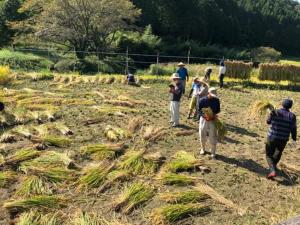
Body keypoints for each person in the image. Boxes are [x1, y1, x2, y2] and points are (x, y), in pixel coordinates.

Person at [265, 99, 297, 179]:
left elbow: (268, 122)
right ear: (290, 106)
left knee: (269, 155)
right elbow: (293, 128)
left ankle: (272, 170)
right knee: (278, 152)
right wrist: (294, 137)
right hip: (283, 139)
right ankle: (273, 167)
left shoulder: (275, 112)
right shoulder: (292, 116)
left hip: (272, 137)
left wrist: (270, 114)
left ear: (282, 104)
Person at [198, 87, 221, 159]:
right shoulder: (202, 100)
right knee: (202, 133)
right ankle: (203, 149)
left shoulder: (216, 100)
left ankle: (213, 152)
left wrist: (213, 115)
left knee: (213, 135)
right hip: (203, 119)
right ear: (208, 93)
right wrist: (205, 116)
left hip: (213, 119)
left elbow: (218, 110)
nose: (213, 97)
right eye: (211, 95)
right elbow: (199, 111)